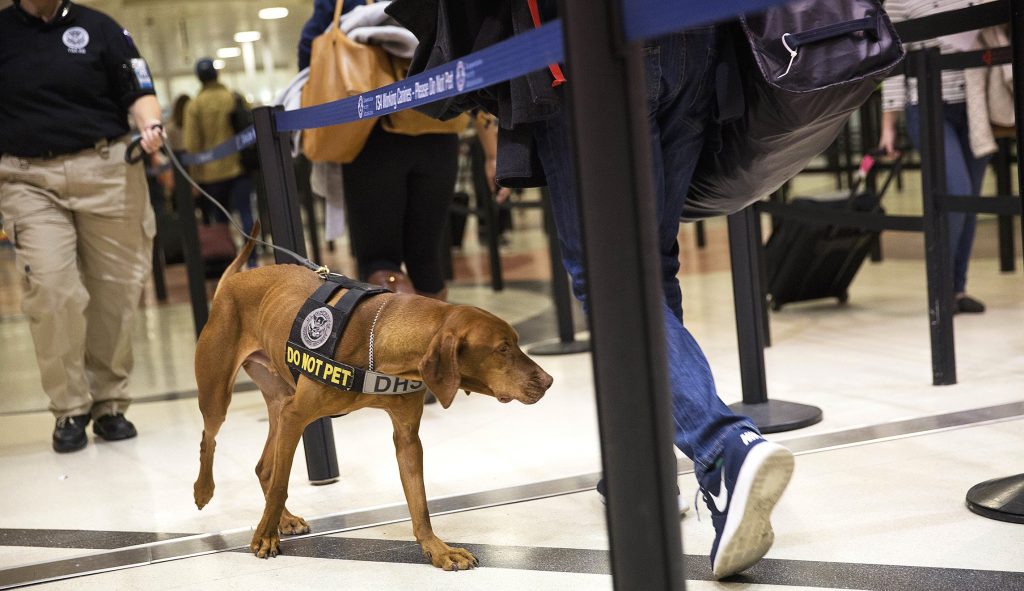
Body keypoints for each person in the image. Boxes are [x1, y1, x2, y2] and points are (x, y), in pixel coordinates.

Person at [0, 0, 164, 452]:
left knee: (115, 291)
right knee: (53, 288)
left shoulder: (100, 27)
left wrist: (150, 124)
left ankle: (109, 402)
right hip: (27, 178)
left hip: (107, 170)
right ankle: (69, 408)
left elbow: (139, 88)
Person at [298, 0, 467, 300]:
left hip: (373, 134)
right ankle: (434, 343)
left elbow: (310, 45)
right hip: (439, 126)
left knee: (380, 260)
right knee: (426, 257)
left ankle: (391, 345)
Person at [879, 0, 992, 314]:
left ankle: (957, 289)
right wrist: (888, 125)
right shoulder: (898, 1)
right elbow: (894, 63)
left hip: (976, 103)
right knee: (956, 193)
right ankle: (940, 290)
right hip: (928, 105)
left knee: (971, 203)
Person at [182, 58, 255, 237]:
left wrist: (193, 176)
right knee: (246, 212)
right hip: (238, 167)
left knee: (221, 219)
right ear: (217, 74)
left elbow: (191, 144)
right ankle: (252, 258)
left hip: (210, 173)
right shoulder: (234, 98)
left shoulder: (194, 106)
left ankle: (229, 259)